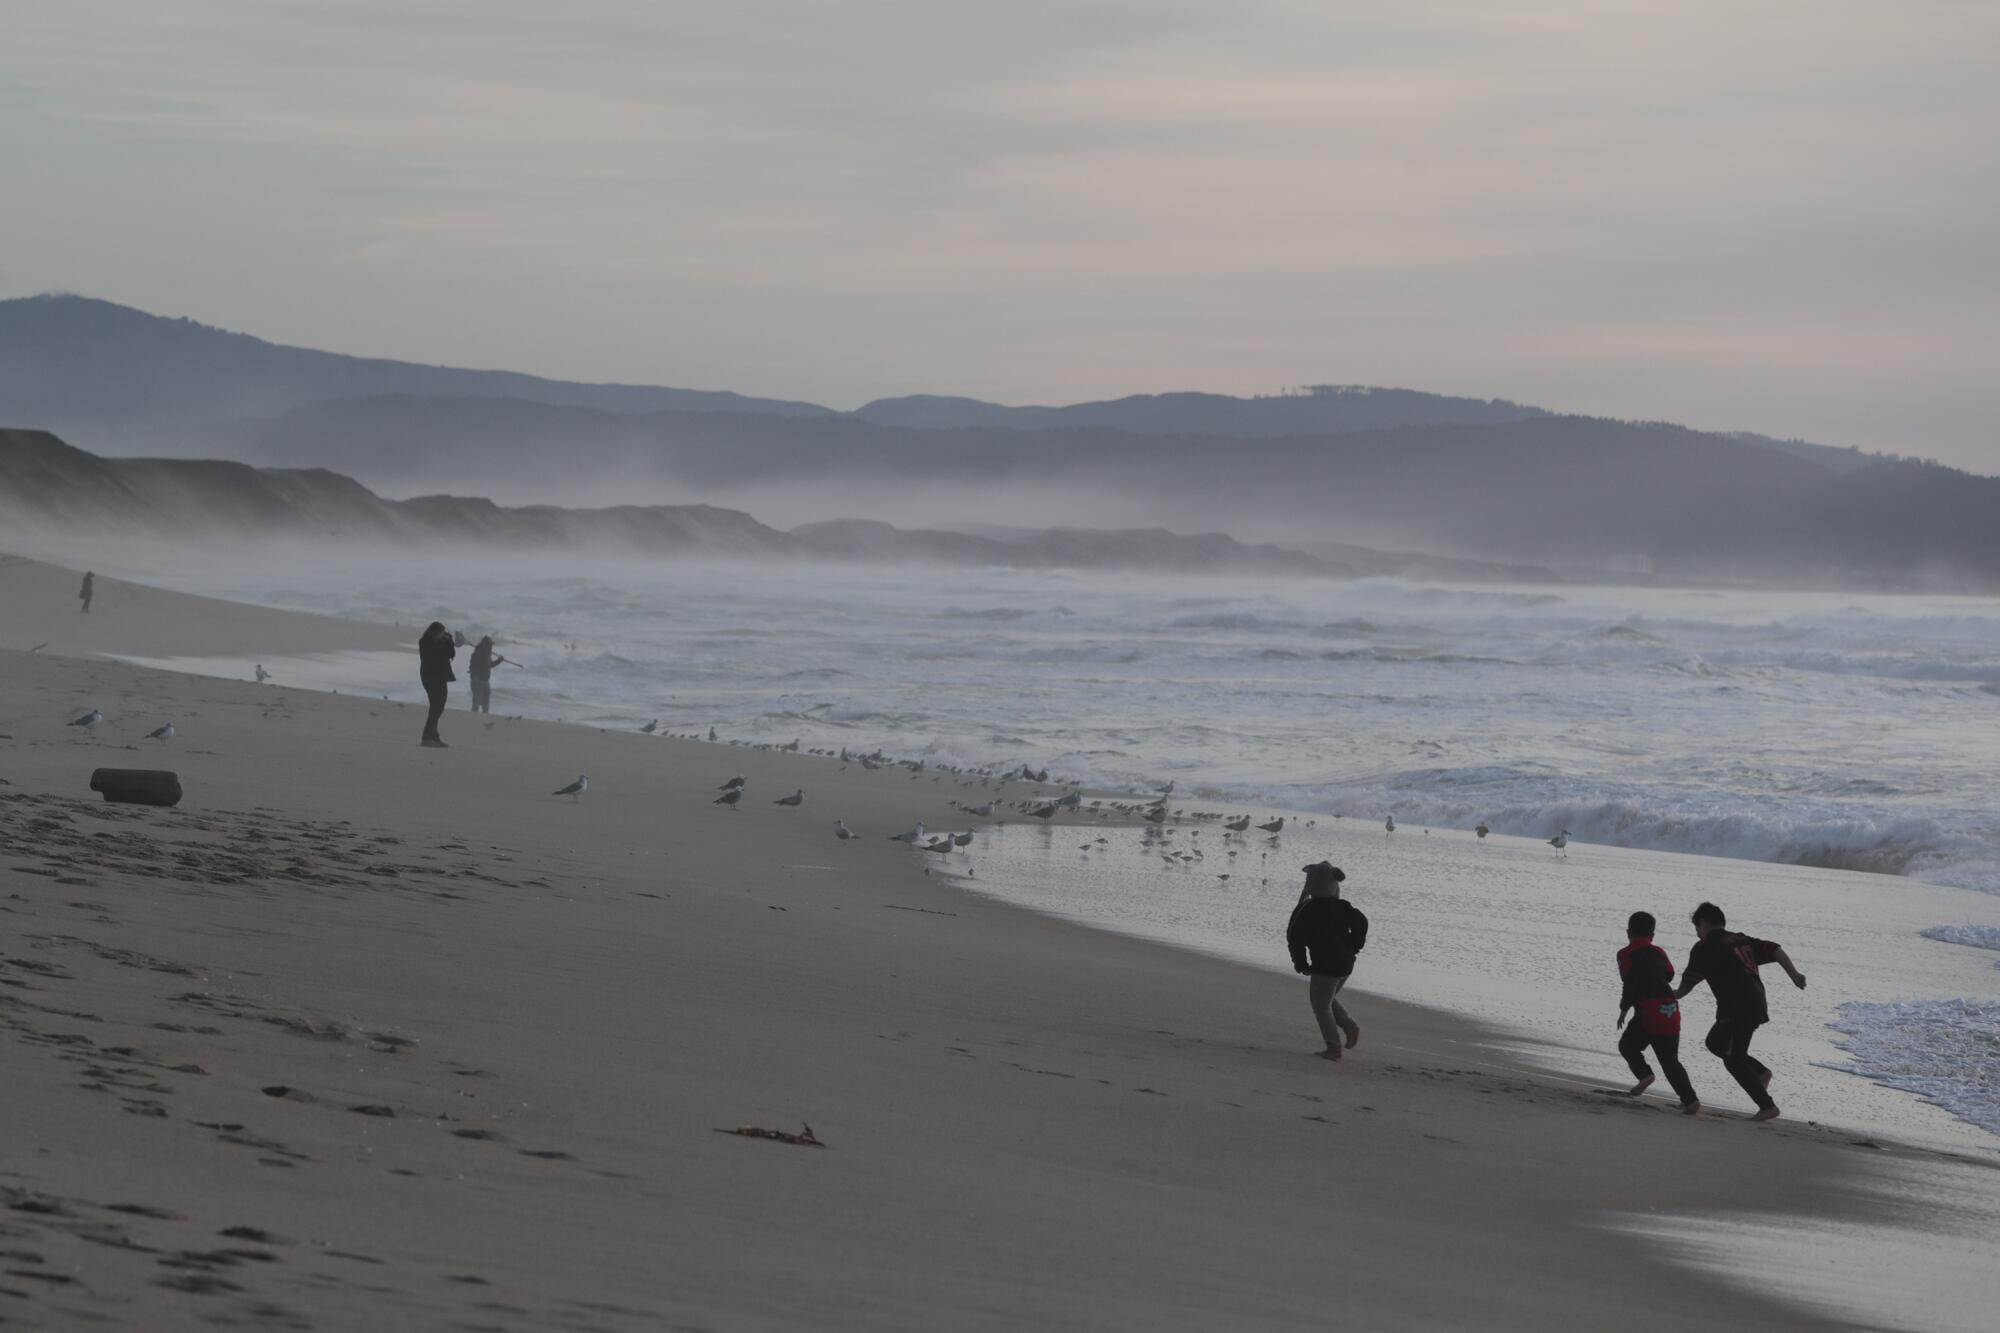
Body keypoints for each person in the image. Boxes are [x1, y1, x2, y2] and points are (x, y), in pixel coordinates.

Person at [1673, 902, 1806, 1122]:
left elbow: (1687, 985)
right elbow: (1775, 949)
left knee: (1733, 1059)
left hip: (1738, 1006)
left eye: (1697, 928)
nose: (1697, 933)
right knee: (1716, 1043)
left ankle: (1767, 1106)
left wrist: (1673, 994)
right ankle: (1760, 1073)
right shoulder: (1740, 939)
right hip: (1754, 1002)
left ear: (1703, 924)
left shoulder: (1705, 946)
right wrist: (1795, 975)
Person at [1615, 911, 1699, 1114]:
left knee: (1627, 1045)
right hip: (1670, 1008)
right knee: (1670, 1060)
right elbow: (1669, 975)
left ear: (1628, 933)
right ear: (1652, 935)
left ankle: (1645, 1075)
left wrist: (1623, 1010)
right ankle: (1690, 1100)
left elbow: (1630, 983)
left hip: (1648, 1010)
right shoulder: (1659, 952)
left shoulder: (1624, 954)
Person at [1285, 862, 1366, 1059]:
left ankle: (1333, 1047)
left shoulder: (1306, 909)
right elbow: (1362, 922)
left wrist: (1300, 963)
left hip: (1325, 965)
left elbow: (1294, 938)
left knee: (1320, 1004)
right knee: (1326, 999)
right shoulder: (1343, 906)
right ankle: (1349, 1026)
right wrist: (1355, 946)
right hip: (1346, 963)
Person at [417, 622, 456, 748]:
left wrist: (449, 641)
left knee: (437, 707)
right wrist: (445, 642)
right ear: (435, 632)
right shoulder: (425, 642)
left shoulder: (440, 643)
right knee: (436, 708)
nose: (442, 635)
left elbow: (451, 654)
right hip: (431, 677)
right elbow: (434, 654)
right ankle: (427, 738)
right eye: (441, 633)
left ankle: (434, 737)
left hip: (439, 677)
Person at [466, 635, 511, 714]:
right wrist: (474, 676)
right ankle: (473, 719)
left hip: (485, 681)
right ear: (486, 644)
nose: (491, 646)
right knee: (477, 703)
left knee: (485, 703)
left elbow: (489, 665)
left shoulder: (486, 653)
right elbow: (473, 666)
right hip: (478, 680)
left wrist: (499, 660)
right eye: (490, 644)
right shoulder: (478, 653)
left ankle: (484, 718)